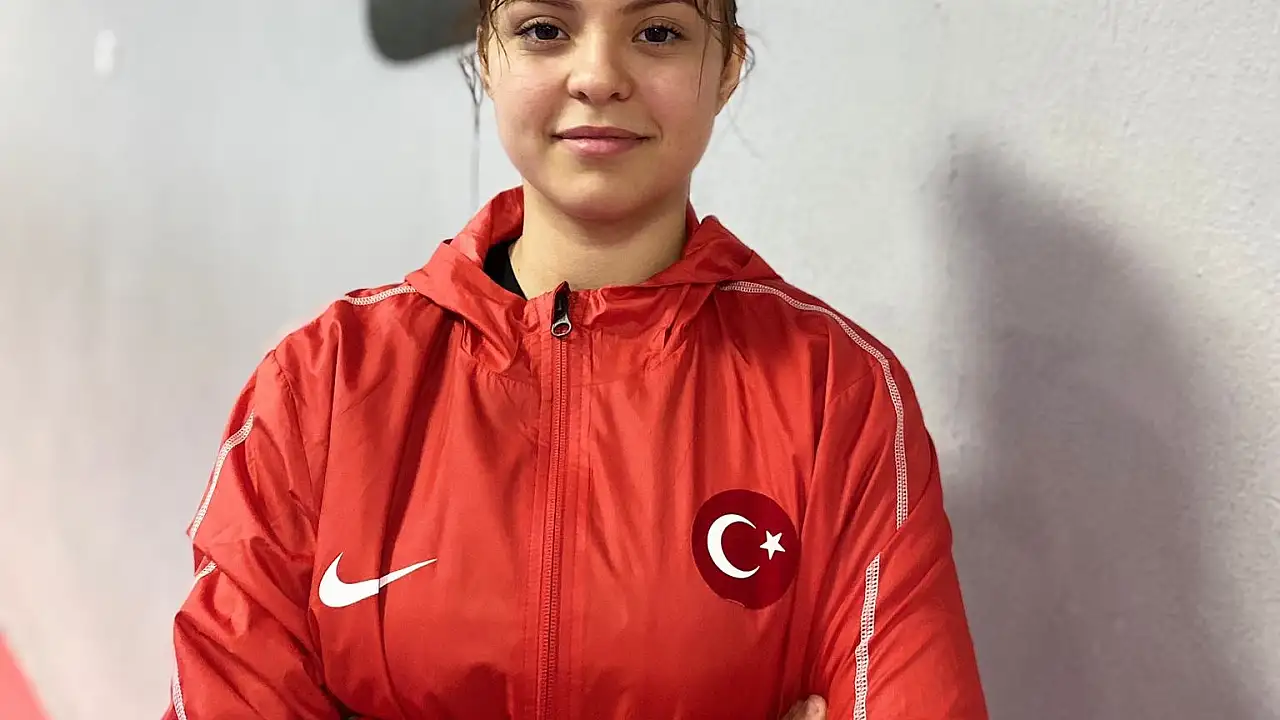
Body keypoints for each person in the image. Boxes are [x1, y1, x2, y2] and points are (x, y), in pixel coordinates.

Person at [161, 0, 988, 718]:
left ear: (727, 67)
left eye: (657, 31)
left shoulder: (836, 391)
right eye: (545, 29)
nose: (598, 76)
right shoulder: (324, 383)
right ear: (488, 56)